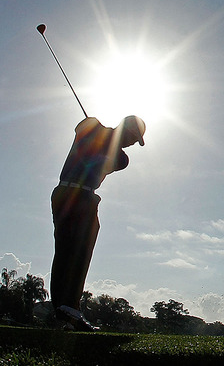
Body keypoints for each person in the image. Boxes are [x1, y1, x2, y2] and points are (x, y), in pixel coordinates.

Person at [50, 115, 145, 331]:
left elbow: (104, 159)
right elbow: (81, 127)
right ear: (124, 128)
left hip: (77, 195)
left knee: (69, 252)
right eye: (132, 137)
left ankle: (65, 312)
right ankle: (68, 308)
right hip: (74, 195)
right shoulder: (93, 126)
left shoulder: (121, 158)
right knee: (73, 252)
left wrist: (102, 134)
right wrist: (99, 130)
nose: (131, 143)